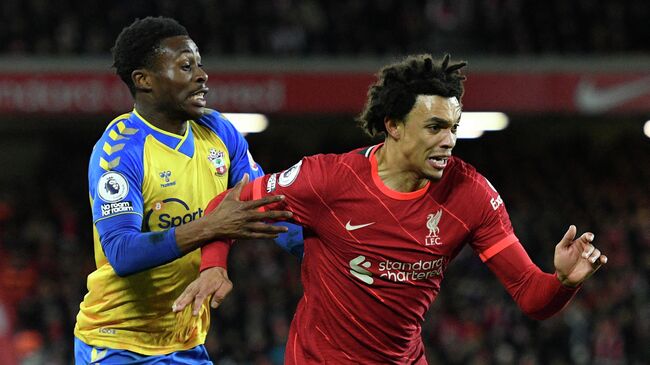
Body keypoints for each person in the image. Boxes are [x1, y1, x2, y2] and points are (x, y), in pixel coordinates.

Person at [173, 54, 607, 364]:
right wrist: (214, 265)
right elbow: (227, 202)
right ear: (393, 126)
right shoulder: (328, 179)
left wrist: (564, 281)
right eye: (435, 127)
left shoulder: (472, 194)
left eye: (454, 128)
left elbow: (532, 297)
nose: (449, 140)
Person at [73, 16, 303, 364]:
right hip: (117, 343)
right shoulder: (120, 152)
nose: (202, 75)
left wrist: (324, 255)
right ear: (144, 80)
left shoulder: (218, 130)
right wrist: (212, 226)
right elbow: (121, 252)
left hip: (185, 342)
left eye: (199, 64)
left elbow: (265, 205)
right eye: (185, 66)